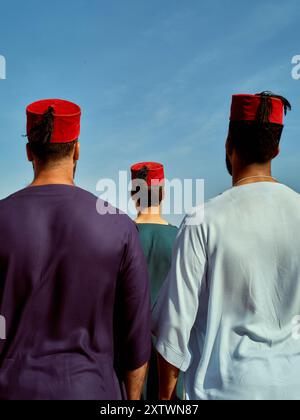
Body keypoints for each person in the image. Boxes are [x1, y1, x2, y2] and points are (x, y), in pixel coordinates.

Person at [0, 99, 151, 401]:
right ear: (77, 149)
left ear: (29, 152)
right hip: (92, 388)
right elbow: (136, 341)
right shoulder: (118, 225)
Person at [153, 92, 300, 400]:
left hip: (223, 391)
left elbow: (174, 327)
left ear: (228, 144)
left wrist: (165, 398)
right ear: (276, 148)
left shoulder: (202, 220)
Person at [131, 162, 180, 400]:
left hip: (127, 358)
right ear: (163, 193)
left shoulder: (121, 235)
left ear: (133, 194)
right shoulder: (180, 238)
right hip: (169, 360)